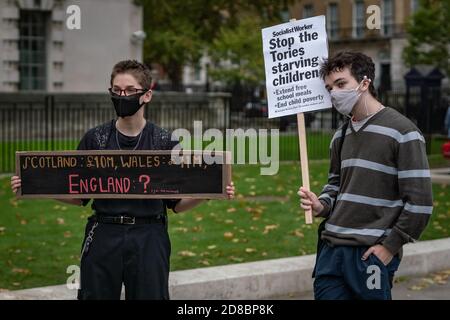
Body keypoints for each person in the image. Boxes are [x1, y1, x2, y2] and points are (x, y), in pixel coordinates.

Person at [11, 60, 235, 300]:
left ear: (147, 95)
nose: (122, 95)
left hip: (149, 235)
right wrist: (37, 185)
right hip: (104, 233)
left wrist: (210, 191)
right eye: (116, 90)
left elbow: (177, 204)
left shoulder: (164, 142)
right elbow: (79, 195)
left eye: (129, 90)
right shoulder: (95, 139)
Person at [298, 51, 432, 300]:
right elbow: (336, 185)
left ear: (364, 83)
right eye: (329, 88)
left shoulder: (404, 132)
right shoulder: (340, 136)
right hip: (330, 251)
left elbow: (420, 203)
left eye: (340, 84)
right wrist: (321, 204)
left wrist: (389, 247)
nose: (334, 93)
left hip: (369, 255)